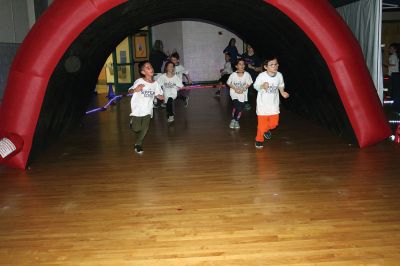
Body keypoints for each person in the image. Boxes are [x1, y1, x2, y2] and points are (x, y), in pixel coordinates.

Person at [128, 61, 164, 154]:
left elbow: (158, 94)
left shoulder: (155, 83)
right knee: (136, 129)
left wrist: (161, 97)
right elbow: (129, 91)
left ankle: (138, 145)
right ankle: (132, 123)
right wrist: (135, 89)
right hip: (137, 108)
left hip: (148, 109)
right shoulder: (139, 81)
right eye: (148, 68)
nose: (151, 69)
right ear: (143, 72)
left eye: (151, 67)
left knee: (145, 128)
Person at [253, 56, 289, 149]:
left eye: (276, 64)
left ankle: (265, 130)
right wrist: (262, 86)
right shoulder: (262, 76)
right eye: (271, 65)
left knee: (274, 124)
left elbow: (281, 85)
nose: (275, 66)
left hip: (274, 104)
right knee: (261, 125)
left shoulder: (279, 75)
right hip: (262, 105)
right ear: (266, 67)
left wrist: (282, 92)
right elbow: (255, 86)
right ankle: (259, 140)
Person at [227, 58, 253, 129]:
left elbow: (249, 83)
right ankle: (234, 120)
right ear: (236, 66)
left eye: (243, 64)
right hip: (234, 93)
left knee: (240, 108)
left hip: (243, 94)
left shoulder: (247, 74)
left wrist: (243, 89)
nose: (242, 66)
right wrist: (235, 89)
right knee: (237, 106)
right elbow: (229, 83)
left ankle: (235, 120)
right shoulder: (233, 75)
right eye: (240, 64)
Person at [241, 44, 262, 110]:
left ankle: (260, 103)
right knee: (245, 90)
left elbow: (260, 68)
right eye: (248, 47)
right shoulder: (244, 55)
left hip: (253, 76)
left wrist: (253, 67)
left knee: (252, 91)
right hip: (244, 76)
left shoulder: (256, 56)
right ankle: (247, 103)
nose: (249, 48)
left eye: (251, 47)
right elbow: (240, 64)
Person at [149, 40, 168, 109]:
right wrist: (168, 54)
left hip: (152, 73)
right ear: (161, 46)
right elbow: (167, 59)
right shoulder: (160, 53)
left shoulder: (151, 53)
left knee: (153, 88)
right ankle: (163, 102)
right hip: (159, 73)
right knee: (162, 88)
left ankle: (154, 102)